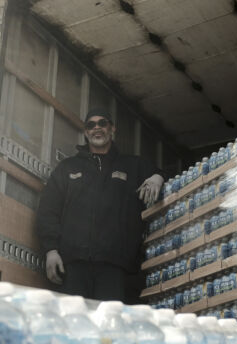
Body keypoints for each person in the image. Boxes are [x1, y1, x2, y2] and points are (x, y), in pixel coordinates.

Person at [36, 108, 164, 302]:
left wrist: (158, 177)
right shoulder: (67, 168)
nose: (97, 128)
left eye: (102, 123)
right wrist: (51, 250)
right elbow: (48, 210)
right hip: (73, 265)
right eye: (91, 125)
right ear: (86, 133)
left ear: (112, 129)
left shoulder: (132, 165)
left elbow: (166, 173)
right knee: (75, 323)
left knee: (108, 326)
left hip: (116, 267)